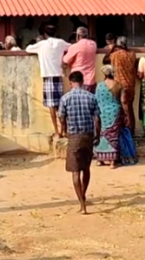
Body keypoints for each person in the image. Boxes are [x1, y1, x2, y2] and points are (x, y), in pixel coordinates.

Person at [58, 71, 100, 214]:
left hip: (74, 137)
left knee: (75, 171)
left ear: (70, 83)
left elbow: (61, 117)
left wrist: (63, 131)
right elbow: (97, 119)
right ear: (82, 81)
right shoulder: (91, 97)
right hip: (88, 136)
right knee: (86, 168)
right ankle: (83, 194)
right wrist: (98, 134)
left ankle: (82, 203)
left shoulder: (65, 98)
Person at [26, 25, 70, 138]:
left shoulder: (42, 44)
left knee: (51, 106)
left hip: (48, 76)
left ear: (45, 34)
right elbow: (71, 47)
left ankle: (56, 131)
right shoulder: (61, 42)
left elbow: (28, 49)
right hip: (58, 76)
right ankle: (64, 130)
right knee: (60, 105)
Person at [108, 36, 140, 134]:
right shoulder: (132, 54)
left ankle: (125, 131)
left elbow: (105, 60)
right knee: (130, 108)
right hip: (130, 85)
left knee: (122, 109)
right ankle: (131, 130)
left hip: (120, 86)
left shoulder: (115, 55)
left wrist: (112, 48)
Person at [94, 66, 123, 168]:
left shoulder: (99, 86)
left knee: (102, 135)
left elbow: (96, 100)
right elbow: (122, 100)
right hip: (115, 113)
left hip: (103, 113)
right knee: (114, 136)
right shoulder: (118, 85)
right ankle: (112, 162)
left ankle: (99, 160)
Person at [63, 27, 98, 93]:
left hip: (78, 80)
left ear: (77, 36)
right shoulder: (93, 44)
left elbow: (65, 60)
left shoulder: (75, 46)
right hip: (91, 81)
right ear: (87, 35)